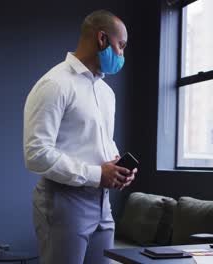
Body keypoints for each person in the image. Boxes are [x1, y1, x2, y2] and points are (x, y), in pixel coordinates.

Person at [23, 10, 134, 264]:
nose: (122, 55)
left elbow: (98, 140)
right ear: (102, 39)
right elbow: (36, 154)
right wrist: (98, 174)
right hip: (63, 201)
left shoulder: (106, 93)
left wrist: (117, 168)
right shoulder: (54, 84)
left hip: (102, 203)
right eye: (121, 46)